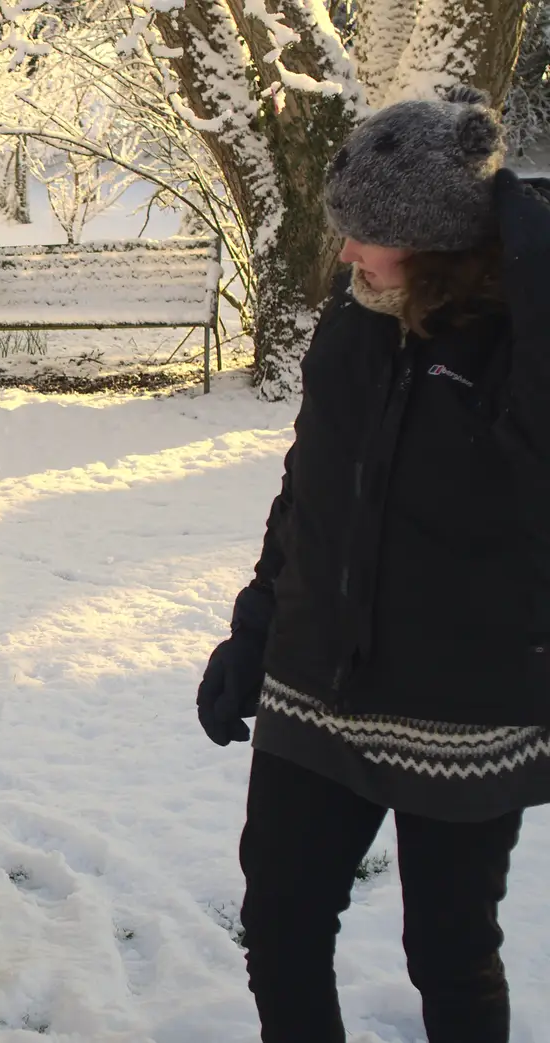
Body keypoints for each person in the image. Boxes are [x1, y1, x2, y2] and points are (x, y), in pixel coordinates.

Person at [196, 85, 550, 1043]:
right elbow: (308, 489)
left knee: (449, 950)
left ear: (435, 240)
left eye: (366, 234)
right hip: (317, 683)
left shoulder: (518, 346)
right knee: (278, 924)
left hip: (465, 702)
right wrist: (255, 630)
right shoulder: (353, 318)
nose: (344, 253)